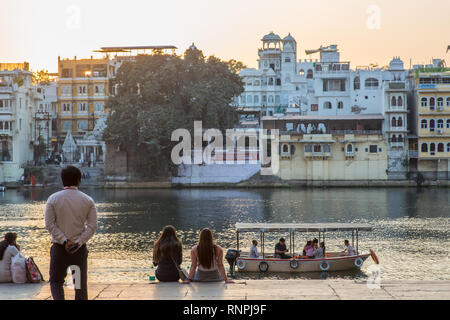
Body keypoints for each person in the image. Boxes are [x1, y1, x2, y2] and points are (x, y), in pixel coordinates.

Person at [45, 165, 98, 300]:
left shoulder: (53, 199)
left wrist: (64, 240)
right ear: (79, 181)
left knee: (56, 282)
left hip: (59, 248)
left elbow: (50, 225)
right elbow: (92, 226)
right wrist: (78, 242)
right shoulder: (88, 200)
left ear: (62, 181)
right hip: (78, 251)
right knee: (80, 286)